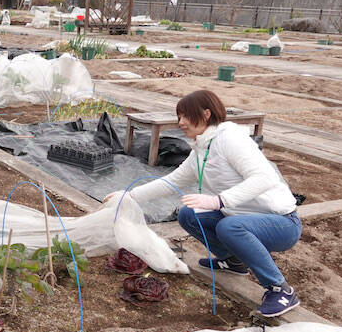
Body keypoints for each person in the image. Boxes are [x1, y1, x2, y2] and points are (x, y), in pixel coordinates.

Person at [107, 90, 302, 317]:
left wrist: (219, 200)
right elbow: (172, 181)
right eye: (178, 117)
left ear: (206, 114)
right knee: (188, 214)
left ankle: (281, 290)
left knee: (229, 227)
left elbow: (264, 178)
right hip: (242, 217)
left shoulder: (230, 139)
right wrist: (129, 195)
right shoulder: (201, 149)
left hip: (282, 222)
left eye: (185, 116)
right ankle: (234, 261)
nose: (180, 122)